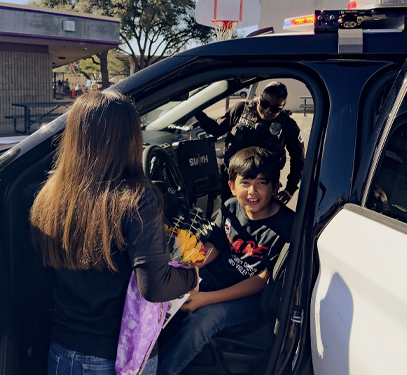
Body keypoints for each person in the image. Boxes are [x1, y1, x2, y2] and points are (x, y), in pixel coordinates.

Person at [29, 91, 198, 375]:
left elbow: (40, 278)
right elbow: (154, 286)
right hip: (116, 358)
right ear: (129, 139)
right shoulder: (137, 198)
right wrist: (190, 276)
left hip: (62, 351)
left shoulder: (49, 195)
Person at [158, 146, 295, 375]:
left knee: (205, 318)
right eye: (245, 182)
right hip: (215, 278)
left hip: (249, 298)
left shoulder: (286, 226)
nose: (253, 191)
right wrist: (193, 270)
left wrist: (204, 299)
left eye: (261, 182)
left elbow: (261, 280)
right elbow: (216, 246)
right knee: (168, 291)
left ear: (274, 187)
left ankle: (163, 371)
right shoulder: (231, 208)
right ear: (232, 186)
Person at [195, 81, 305, 204]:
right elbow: (216, 129)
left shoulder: (288, 125)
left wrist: (290, 189)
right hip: (233, 183)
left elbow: (298, 159)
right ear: (260, 96)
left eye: (275, 109)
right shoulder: (240, 109)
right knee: (230, 218)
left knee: (258, 221)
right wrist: (194, 109)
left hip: (264, 188)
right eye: (264, 104)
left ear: (283, 106)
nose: (268, 111)